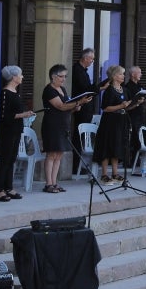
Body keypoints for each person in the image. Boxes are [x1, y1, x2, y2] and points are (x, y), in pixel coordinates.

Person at [42, 64, 92, 193]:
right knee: (51, 154)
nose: (64, 79)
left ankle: (55, 182)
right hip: (52, 126)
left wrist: (76, 106)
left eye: (65, 76)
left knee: (59, 154)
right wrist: (78, 102)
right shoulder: (49, 90)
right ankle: (48, 183)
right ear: (53, 77)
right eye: (61, 76)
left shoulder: (62, 89)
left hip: (64, 124)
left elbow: (68, 107)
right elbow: (60, 106)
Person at [0, 65, 34, 202]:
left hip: (16, 129)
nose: (22, 77)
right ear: (14, 77)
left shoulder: (16, 92)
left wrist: (25, 114)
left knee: (12, 159)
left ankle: (8, 187)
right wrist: (23, 114)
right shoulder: (5, 93)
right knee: (5, 159)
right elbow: (5, 115)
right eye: (20, 75)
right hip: (8, 130)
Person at [70, 48, 110, 173]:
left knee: (81, 138)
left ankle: (78, 165)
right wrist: (100, 88)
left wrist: (98, 88)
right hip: (80, 107)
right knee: (78, 137)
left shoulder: (83, 71)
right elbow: (85, 90)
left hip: (85, 107)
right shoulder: (77, 70)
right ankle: (75, 166)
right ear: (85, 58)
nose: (92, 61)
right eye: (92, 59)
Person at [93, 65, 133, 185]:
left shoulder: (124, 90)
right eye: (121, 74)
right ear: (115, 76)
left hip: (122, 120)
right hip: (110, 121)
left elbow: (127, 105)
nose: (123, 76)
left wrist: (135, 103)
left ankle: (115, 173)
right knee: (107, 146)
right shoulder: (109, 90)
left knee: (117, 146)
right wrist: (121, 106)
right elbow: (105, 108)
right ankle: (104, 174)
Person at [123, 65, 146, 165]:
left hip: (140, 115)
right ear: (133, 74)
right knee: (133, 138)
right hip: (131, 115)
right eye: (139, 73)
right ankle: (130, 160)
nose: (141, 75)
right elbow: (128, 104)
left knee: (140, 137)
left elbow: (144, 99)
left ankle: (137, 159)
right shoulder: (127, 87)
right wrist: (137, 102)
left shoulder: (139, 86)